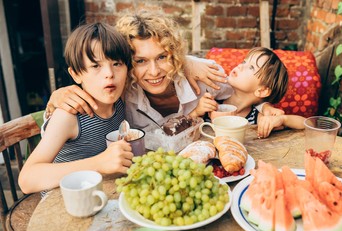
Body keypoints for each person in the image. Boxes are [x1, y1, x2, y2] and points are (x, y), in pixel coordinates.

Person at [45, 10, 230, 129]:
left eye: (162, 57)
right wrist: (57, 96)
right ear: (124, 63)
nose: (154, 71)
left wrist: (261, 110)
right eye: (140, 61)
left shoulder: (202, 75)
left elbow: (250, 90)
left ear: (175, 54)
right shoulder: (119, 91)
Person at [18, 22, 133, 194]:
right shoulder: (69, 116)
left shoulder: (121, 101)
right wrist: (99, 163)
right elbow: (27, 179)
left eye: (117, 64)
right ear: (76, 74)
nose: (109, 73)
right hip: (63, 203)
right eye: (96, 65)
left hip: (102, 194)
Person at [191, 47, 306, 138]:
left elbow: (306, 124)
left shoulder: (257, 118)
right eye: (244, 61)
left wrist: (283, 119)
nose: (240, 66)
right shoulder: (211, 104)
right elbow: (180, 130)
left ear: (262, 91)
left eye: (251, 67)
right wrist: (196, 112)